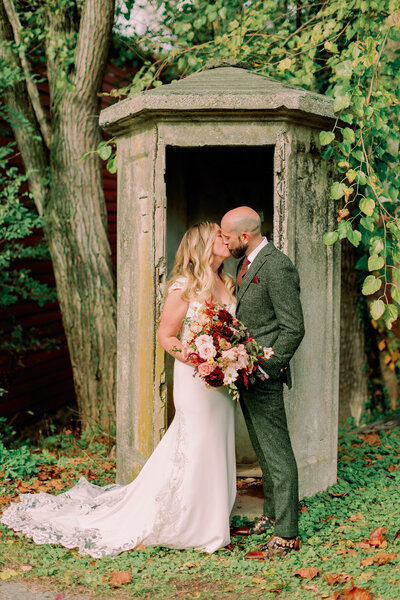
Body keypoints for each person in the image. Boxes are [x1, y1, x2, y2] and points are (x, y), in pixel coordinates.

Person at [0, 222, 237, 558]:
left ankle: (212, 514)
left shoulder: (226, 282)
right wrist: (200, 359)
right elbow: (167, 337)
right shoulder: (184, 286)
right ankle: (192, 521)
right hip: (196, 379)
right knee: (196, 441)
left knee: (217, 440)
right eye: (218, 234)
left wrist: (229, 358)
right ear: (202, 244)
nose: (225, 239)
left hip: (223, 382)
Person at [220, 206, 305, 560]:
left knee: (277, 453)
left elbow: (293, 327)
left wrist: (267, 368)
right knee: (263, 450)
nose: (223, 242)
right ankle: (271, 516)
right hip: (246, 374)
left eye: (227, 236)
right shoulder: (244, 264)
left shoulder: (277, 265)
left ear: (245, 236)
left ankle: (287, 535)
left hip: (264, 375)